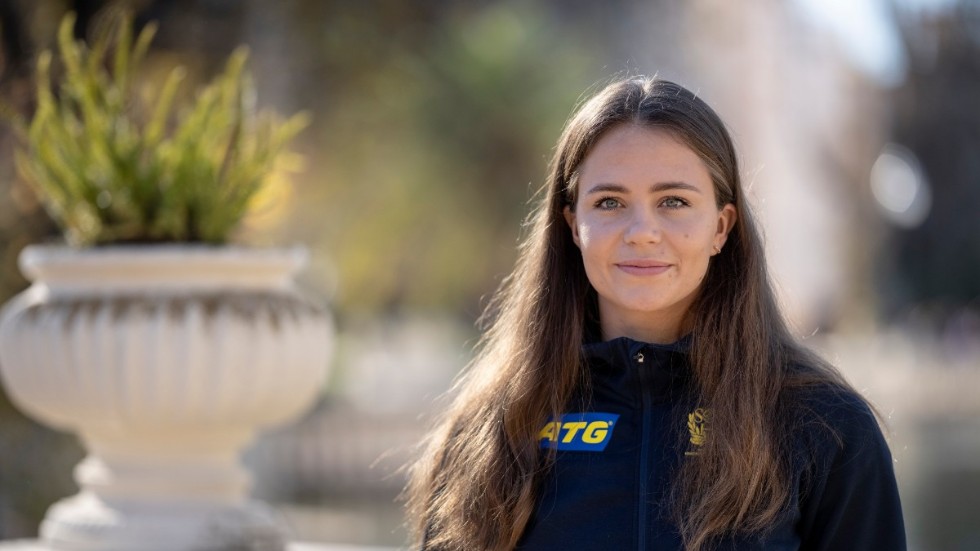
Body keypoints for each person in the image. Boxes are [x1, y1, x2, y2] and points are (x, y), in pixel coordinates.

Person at [405, 76, 906, 551]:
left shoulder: (825, 425)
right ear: (573, 224)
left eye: (673, 200)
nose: (642, 231)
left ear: (721, 226)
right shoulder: (493, 428)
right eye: (608, 202)